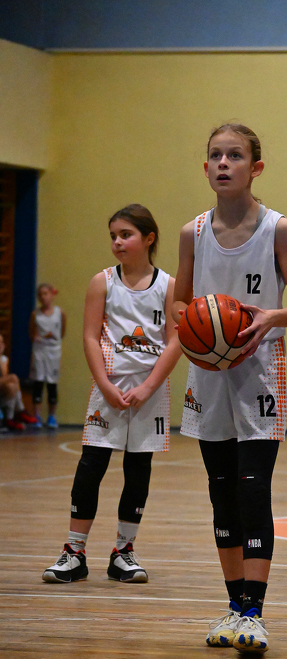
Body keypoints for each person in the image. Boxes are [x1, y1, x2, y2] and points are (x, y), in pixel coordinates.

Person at [172, 123, 287, 654]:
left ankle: (255, 612)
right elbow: (179, 302)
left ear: (256, 168)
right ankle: (234, 607)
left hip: (259, 369)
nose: (223, 163)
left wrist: (269, 316)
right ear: (205, 167)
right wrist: (194, 326)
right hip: (208, 373)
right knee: (221, 491)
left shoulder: (278, 229)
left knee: (253, 488)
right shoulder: (192, 233)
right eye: (215, 155)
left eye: (235, 155)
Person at [42, 204, 182, 584]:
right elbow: (90, 336)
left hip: (150, 391)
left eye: (126, 235)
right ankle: (74, 552)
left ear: (149, 238)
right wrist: (105, 384)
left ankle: (124, 551)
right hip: (109, 387)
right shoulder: (102, 281)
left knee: (138, 470)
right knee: (91, 466)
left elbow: (176, 340)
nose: (117, 242)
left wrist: (148, 386)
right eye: (113, 236)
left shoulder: (169, 286)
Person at [29, 283, 66, 429]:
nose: (43, 297)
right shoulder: (35, 314)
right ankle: (36, 416)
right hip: (40, 351)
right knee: (38, 382)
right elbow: (31, 333)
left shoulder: (60, 313)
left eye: (45, 293)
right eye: (40, 295)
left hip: (54, 351)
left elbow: (62, 332)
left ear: (51, 294)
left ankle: (51, 416)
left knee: (52, 383)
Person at [0, 333, 38, 431]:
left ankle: (9, 418)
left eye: (2, 342)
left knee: (12, 386)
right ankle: (21, 410)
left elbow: (4, 375)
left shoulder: (3, 359)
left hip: (2, 389)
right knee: (14, 377)